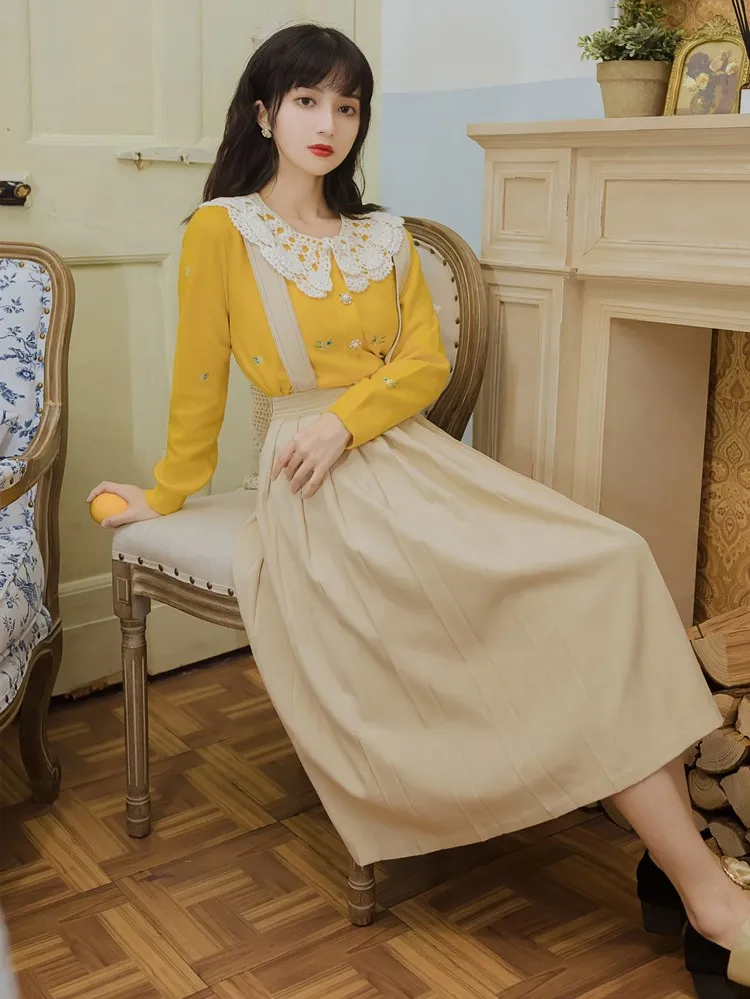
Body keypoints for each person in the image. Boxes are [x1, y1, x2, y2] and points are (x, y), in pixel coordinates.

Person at [88, 23, 750, 997]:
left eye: (347, 104)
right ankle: (706, 895)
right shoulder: (219, 232)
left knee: (609, 558)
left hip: (402, 452)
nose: (328, 121)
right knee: (543, 600)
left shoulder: (383, 236)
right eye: (306, 100)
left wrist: (345, 421)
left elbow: (425, 365)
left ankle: (677, 867)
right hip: (310, 481)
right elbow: (198, 385)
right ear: (264, 115)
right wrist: (169, 491)